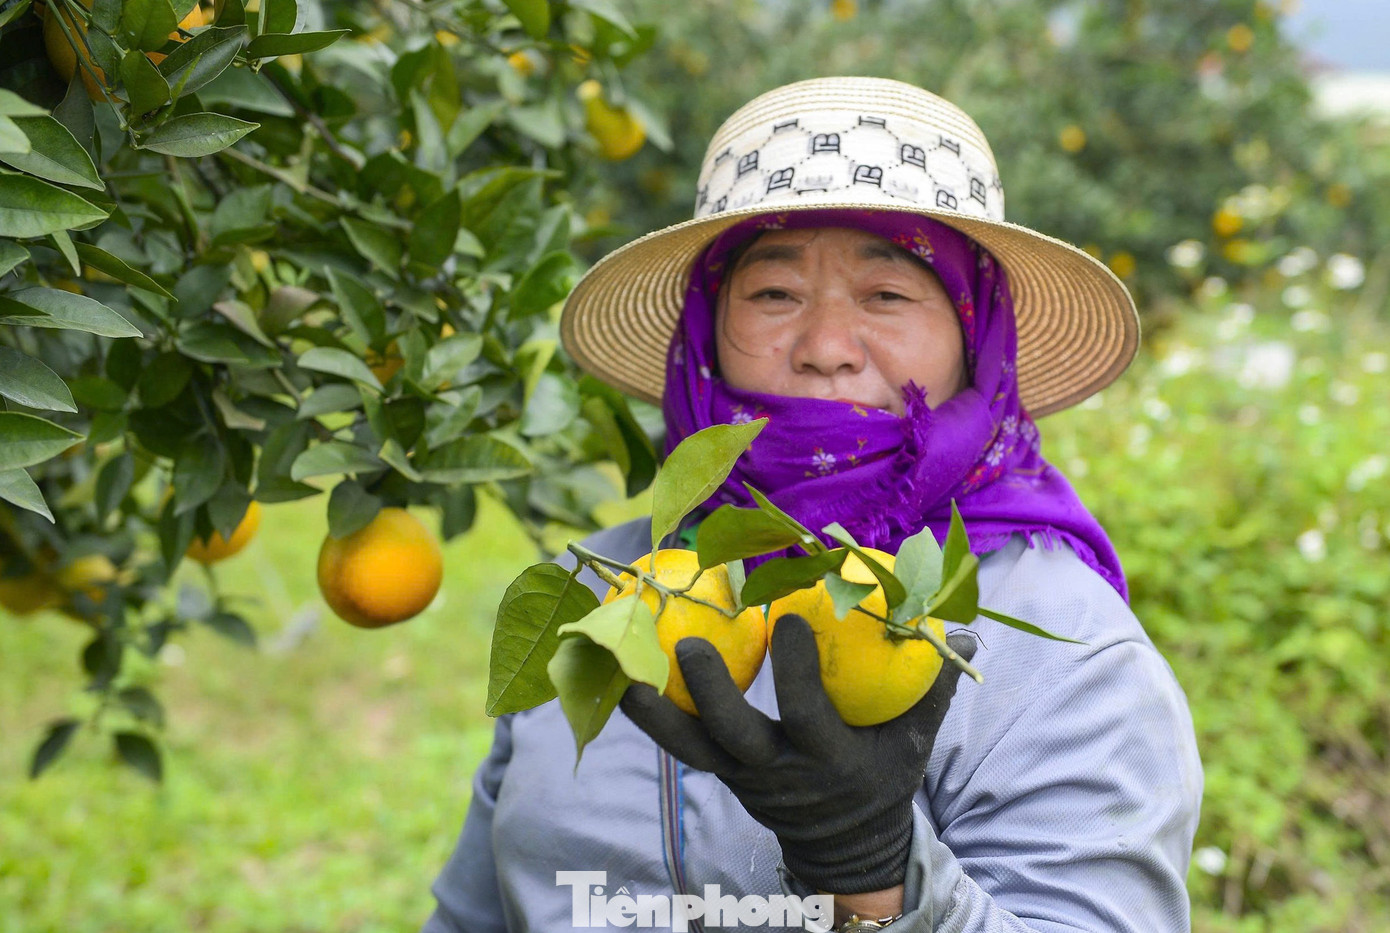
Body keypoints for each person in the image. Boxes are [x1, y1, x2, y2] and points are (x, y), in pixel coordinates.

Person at [423, 76, 1202, 932]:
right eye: (774, 294)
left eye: (888, 294)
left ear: (976, 339)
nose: (827, 348)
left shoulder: (1064, 649)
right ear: (705, 332)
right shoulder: (597, 593)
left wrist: (871, 870)